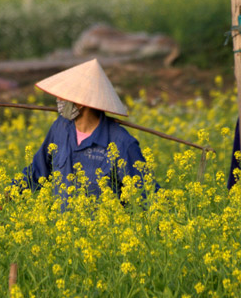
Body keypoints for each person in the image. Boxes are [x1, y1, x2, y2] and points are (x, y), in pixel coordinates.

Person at [16, 59, 155, 202]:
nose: (58, 100)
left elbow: (145, 195)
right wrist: (6, 196)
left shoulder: (122, 143)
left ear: (80, 103)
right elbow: (37, 171)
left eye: (63, 96)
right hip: (62, 223)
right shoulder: (60, 128)